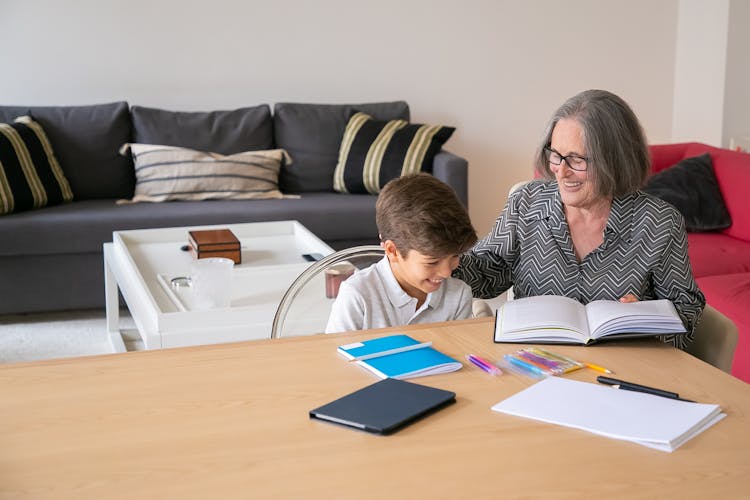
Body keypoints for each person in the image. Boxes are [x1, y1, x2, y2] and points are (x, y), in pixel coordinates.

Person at [453, 89, 705, 349]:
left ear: (615, 161)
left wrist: (646, 322)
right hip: (535, 361)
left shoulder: (659, 222)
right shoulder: (527, 203)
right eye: (556, 155)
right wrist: (443, 256)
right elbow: (486, 274)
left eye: (576, 159)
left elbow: (686, 310)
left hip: (622, 369)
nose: (561, 171)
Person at [325, 173, 478, 333]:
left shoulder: (458, 295)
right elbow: (332, 357)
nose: (447, 272)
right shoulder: (357, 295)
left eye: (455, 255)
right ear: (392, 251)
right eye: (432, 262)